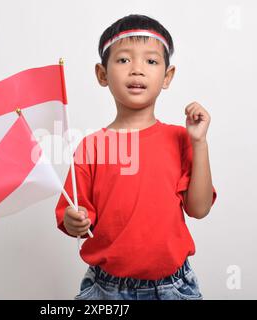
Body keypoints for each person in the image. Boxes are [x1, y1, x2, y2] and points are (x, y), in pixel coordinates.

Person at [55, 14, 217, 300]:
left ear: (167, 77)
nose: (137, 70)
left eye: (151, 61)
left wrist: (199, 142)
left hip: (173, 287)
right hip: (105, 289)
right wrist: (73, 220)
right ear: (102, 74)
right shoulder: (92, 146)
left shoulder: (181, 138)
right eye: (123, 60)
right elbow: (76, 218)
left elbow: (199, 208)